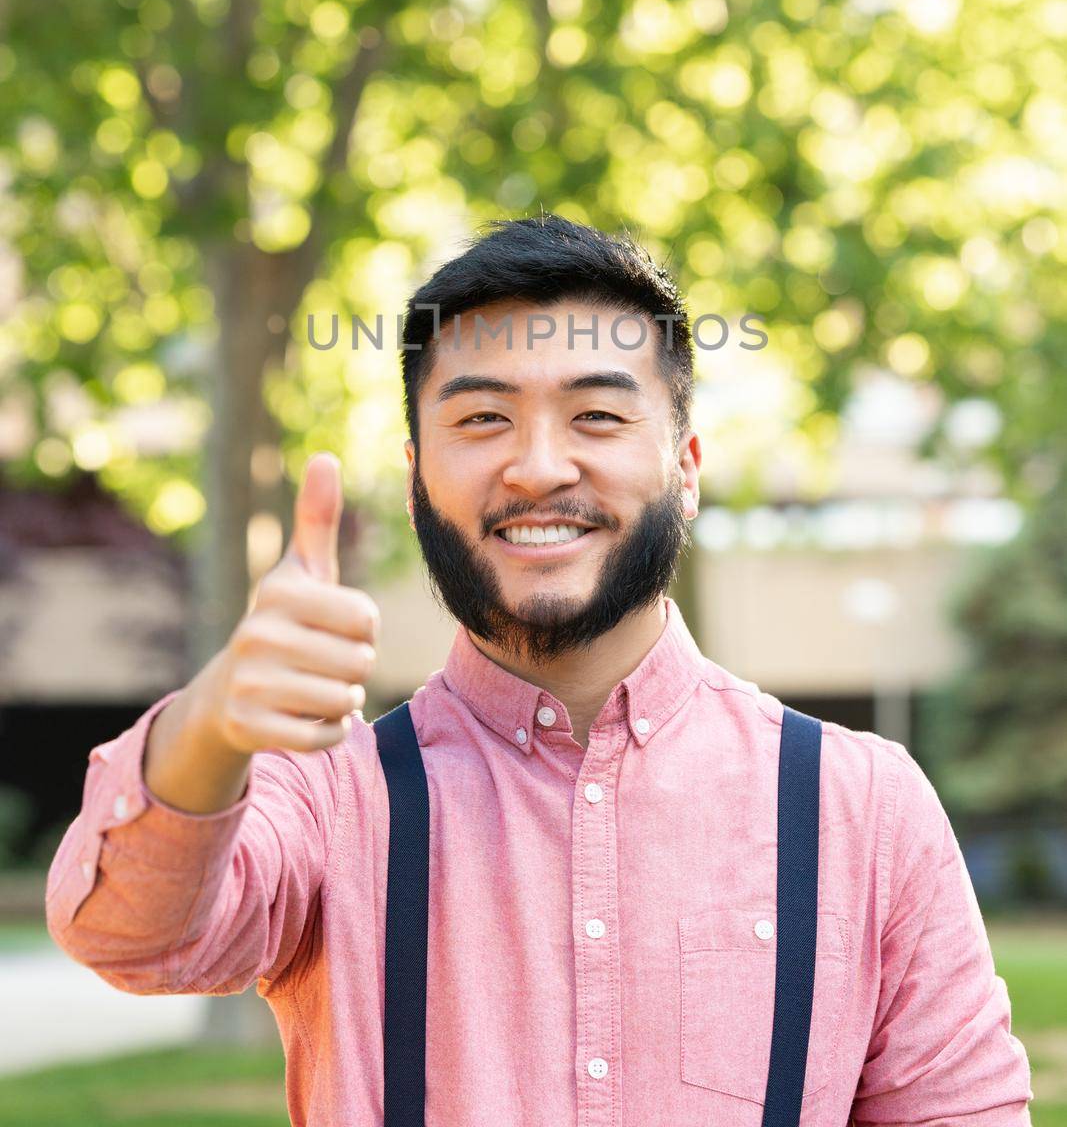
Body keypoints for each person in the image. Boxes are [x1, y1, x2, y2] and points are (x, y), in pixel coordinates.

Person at [46, 213, 1032, 1125]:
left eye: (596, 417)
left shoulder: (862, 808)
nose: (537, 467)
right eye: (481, 420)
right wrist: (214, 722)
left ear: (685, 467)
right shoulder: (326, 797)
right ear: (415, 476)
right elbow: (132, 935)